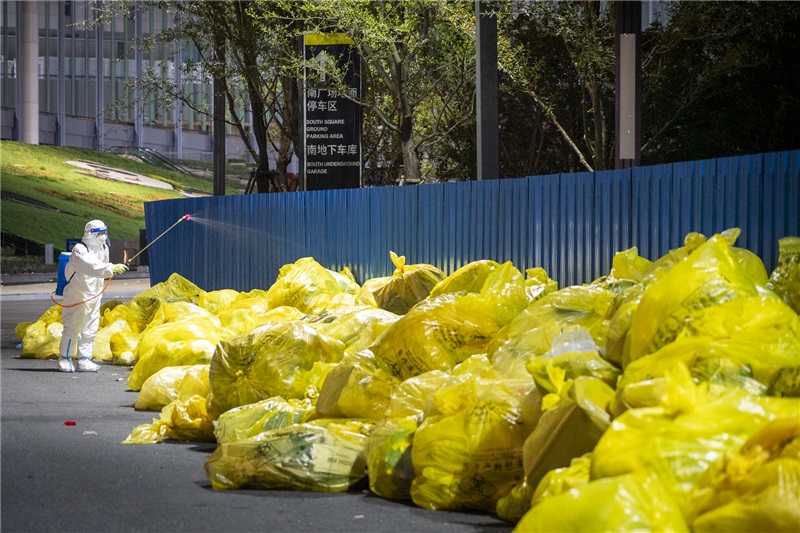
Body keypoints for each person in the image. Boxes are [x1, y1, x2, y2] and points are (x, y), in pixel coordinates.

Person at [58, 220, 129, 373]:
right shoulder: (79, 250)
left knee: (90, 327)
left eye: (104, 232)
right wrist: (111, 268)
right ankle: (65, 358)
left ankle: (84, 359)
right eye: (100, 233)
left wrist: (111, 269)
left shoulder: (103, 248)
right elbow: (90, 266)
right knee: (73, 326)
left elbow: (100, 268)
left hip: (94, 293)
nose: (103, 236)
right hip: (78, 294)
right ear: (91, 234)